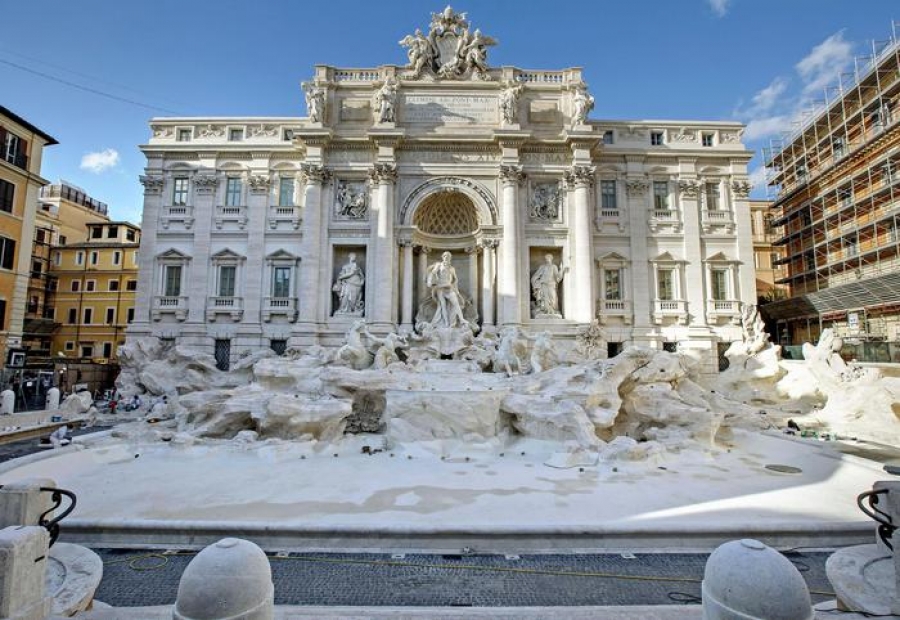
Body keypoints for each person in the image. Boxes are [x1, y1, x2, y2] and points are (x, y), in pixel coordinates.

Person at [426, 251, 467, 328]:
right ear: (442, 257)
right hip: (440, 288)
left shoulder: (452, 268)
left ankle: (462, 319)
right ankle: (446, 323)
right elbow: (433, 272)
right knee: (443, 306)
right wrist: (430, 281)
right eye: (445, 256)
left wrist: (456, 290)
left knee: (456, 303)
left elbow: (455, 279)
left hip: (449, 287)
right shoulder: (439, 265)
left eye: (448, 256)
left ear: (450, 258)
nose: (447, 257)